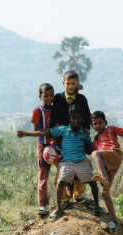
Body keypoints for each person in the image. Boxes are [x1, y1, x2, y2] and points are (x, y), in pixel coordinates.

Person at [17, 105, 102, 220]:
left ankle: (96, 206)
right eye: (73, 118)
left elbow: (90, 148)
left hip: (82, 161)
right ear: (69, 118)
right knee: (60, 182)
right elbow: (46, 132)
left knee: (93, 182)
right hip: (66, 162)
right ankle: (59, 209)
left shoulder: (84, 133)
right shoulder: (63, 130)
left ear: (82, 119)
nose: (76, 120)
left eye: (78, 118)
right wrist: (27, 134)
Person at [50, 70, 91, 205]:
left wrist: (86, 130)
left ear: (77, 84)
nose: (71, 86)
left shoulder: (82, 99)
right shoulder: (58, 98)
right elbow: (54, 117)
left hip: (77, 138)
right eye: (68, 83)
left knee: (79, 164)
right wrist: (53, 137)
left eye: (74, 84)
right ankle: (63, 199)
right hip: (62, 138)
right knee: (62, 168)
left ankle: (79, 195)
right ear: (63, 83)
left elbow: (87, 116)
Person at [30, 83, 55, 215]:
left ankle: (66, 198)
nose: (49, 98)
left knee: (64, 171)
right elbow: (35, 131)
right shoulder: (37, 111)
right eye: (46, 96)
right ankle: (43, 204)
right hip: (43, 145)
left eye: (51, 95)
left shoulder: (57, 109)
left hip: (56, 145)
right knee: (43, 174)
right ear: (40, 97)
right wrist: (51, 130)